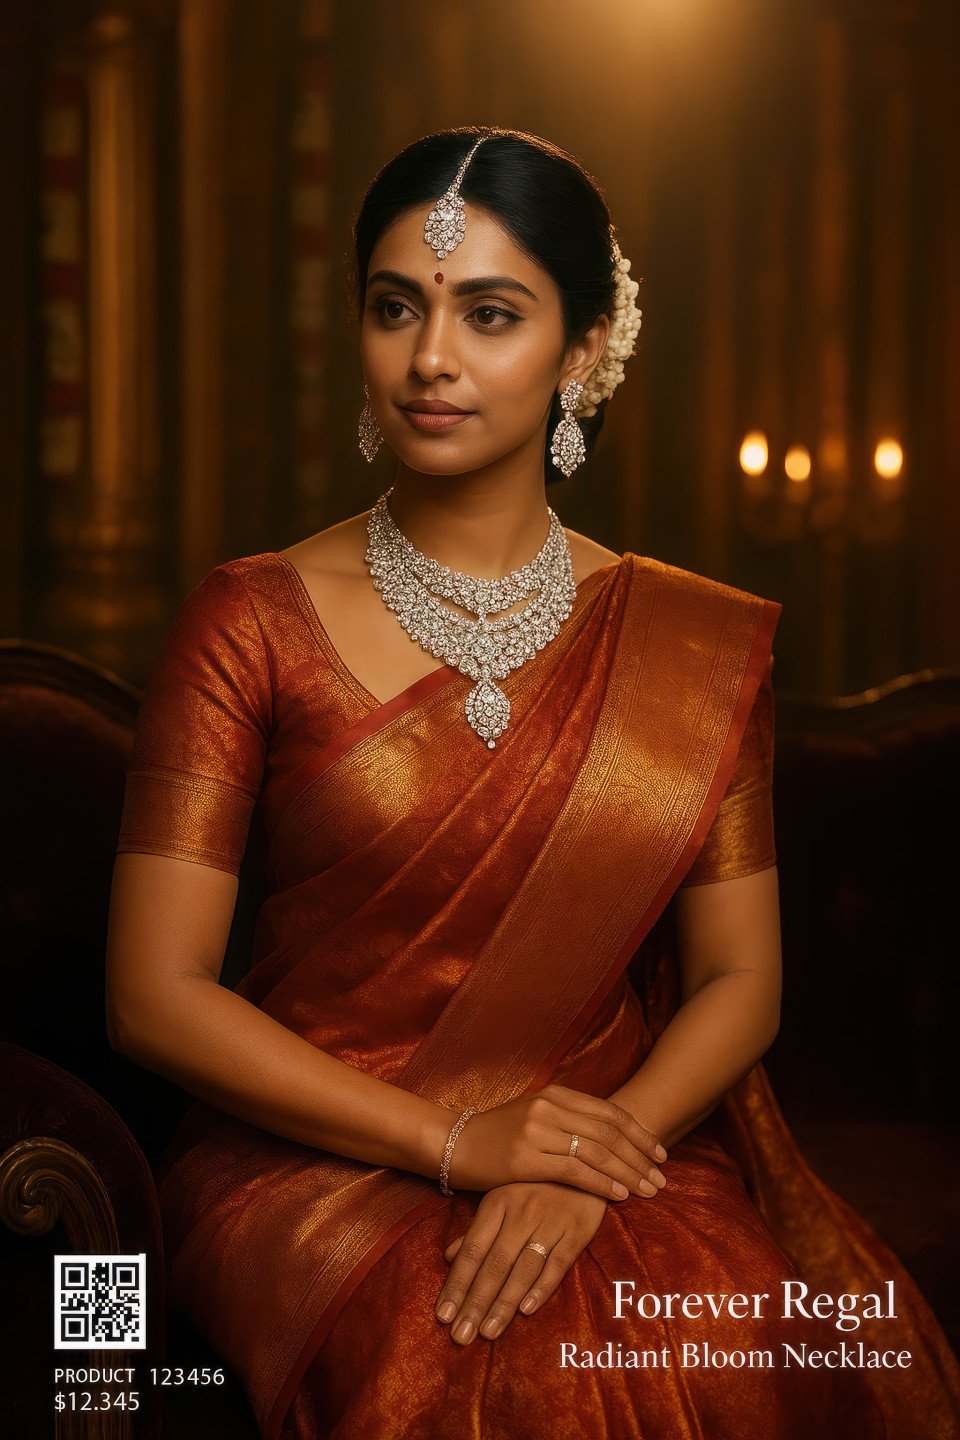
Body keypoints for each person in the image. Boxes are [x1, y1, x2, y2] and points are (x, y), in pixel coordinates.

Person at [106, 128, 960, 1440]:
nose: (431, 359)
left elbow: (741, 979)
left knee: (731, 1329)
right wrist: (454, 1144)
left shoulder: (687, 642)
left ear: (584, 349)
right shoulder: (252, 620)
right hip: (314, 1160)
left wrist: (591, 1160)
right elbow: (152, 995)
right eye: (397, 308)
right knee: (475, 1356)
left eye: (490, 314)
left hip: (608, 1143)